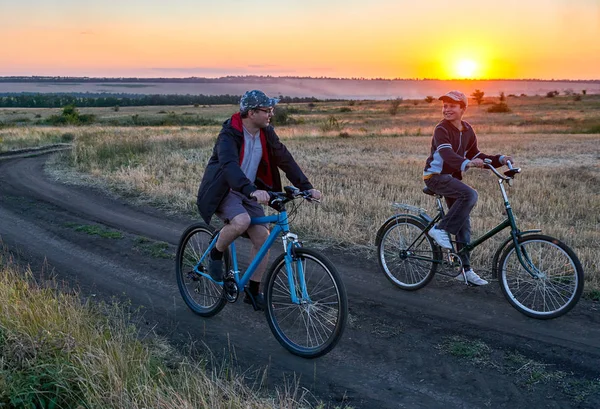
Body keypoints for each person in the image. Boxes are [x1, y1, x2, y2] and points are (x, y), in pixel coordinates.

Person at [196, 90, 321, 309]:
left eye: (271, 109)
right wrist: (251, 190)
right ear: (252, 113)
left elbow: (284, 158)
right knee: (241, 221)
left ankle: (253, 291)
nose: (271, 113)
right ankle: (216, 253)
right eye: (267, 110)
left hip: (249, 191)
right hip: (225, 191)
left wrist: (306, 187)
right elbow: (229, 166)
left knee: (262, 238)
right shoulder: (229, 134)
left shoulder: (266, 133)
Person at [423, 90, 513, 286]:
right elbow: (447, 154)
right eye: (444, 106)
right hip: (435, 177)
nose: (446, 109)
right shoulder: (442, 129)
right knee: (470, 194)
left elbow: (476, 153)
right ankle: (440, 229)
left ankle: (465, 270)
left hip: (451, 178)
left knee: (464, 223)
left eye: (452, 106)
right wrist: (467, 163)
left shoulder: (467, 130)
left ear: (463, 108)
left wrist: (500, 159)